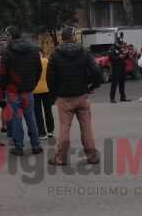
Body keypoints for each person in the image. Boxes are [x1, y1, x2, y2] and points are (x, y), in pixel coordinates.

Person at [47, 27, 103, 166]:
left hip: (64, 97)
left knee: (64, 128)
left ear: (62, 38)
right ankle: (92, 156)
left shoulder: (55, 53)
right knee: (86, 127)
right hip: (82, 94)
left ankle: (60, 158)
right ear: (74, 37)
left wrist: (55, 93)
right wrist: (93, 86)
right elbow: (96, 70)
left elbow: (50, 77)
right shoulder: (84, 51)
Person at [0, 26, 42, 156]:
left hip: (12, 91)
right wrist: (33, 84)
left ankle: (19, 147)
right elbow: (38, 69)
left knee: (16, 118)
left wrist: (3, 86)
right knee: (31, 117)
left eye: (7, 35)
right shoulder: (33, 49)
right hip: (28, 90)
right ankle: (36, 145)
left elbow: (2, 72)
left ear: (10, 36)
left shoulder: (7, 52)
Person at [33, 49, 55, 139]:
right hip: (47, 89)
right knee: (48, 111)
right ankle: (50, 131)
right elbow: (51, 74)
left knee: (38, 112)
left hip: (35, 90)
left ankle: (42, 133)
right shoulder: (46, 61)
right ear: (41, 53)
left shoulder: (32, 62)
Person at [108, 38, 131, 103]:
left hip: (122, 67)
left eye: (121, 43)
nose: (121, 45)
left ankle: (123, 97)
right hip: (116, 67)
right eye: (119, 44)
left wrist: (126, 54)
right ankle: (112, 98)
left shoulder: (121, 48)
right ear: (116, 42)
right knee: (114, 83)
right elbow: (110, 58)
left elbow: (126, 57)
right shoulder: (112, 48)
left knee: (122, 83)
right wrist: (118, 57)